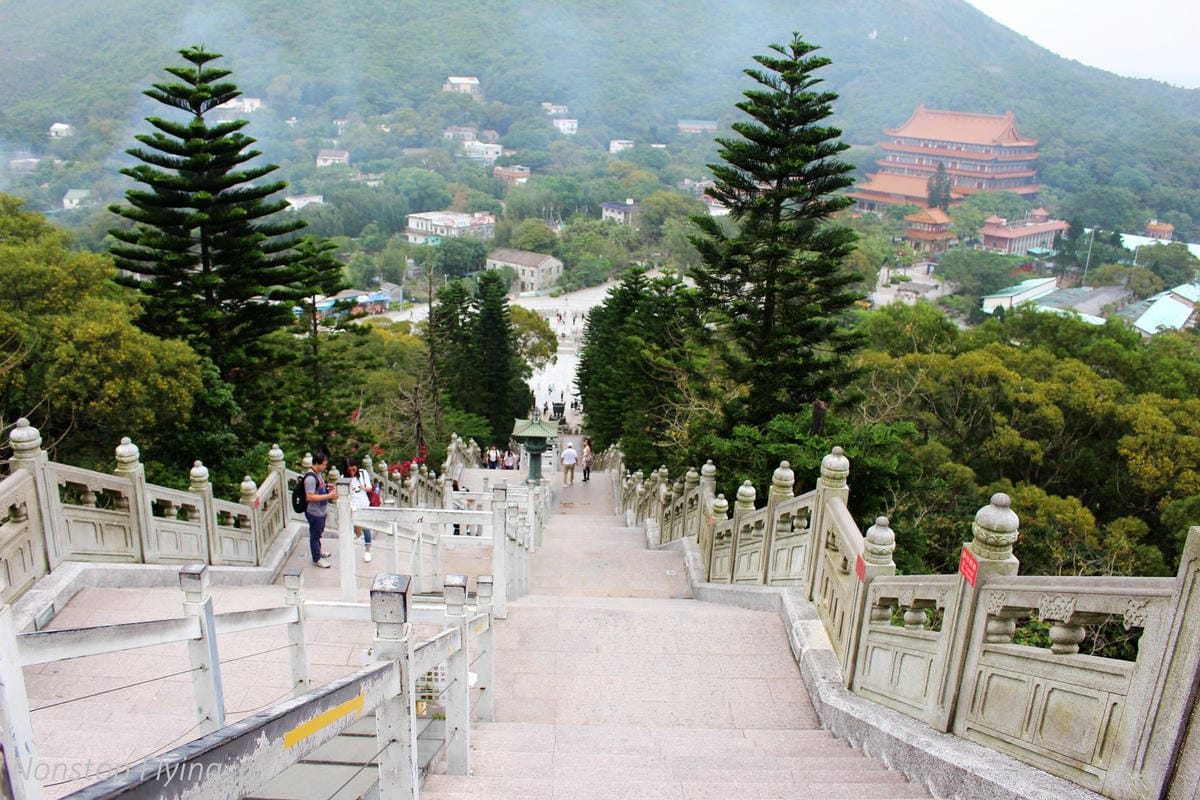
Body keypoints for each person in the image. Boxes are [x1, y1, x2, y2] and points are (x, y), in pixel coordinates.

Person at [304, 452, 337, 568]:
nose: (324, 467)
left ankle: (318, 552)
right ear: (317, 463)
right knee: (314, 535)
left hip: (321, 510)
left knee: (318, 534)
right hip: (314, 512)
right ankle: (316, 558)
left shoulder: (318, 474)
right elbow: (310, 496)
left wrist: (329, 487)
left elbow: (320, 488)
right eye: (323, 465)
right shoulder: (310, 478)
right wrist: (328, 496)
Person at [346, 456, 373, 562]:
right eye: (350, 470)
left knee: (366, 528)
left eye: (353, 469)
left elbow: (370, 488)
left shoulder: (363, 473)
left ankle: (367, 550)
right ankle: (355, 541)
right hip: (352, 505)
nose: (352, 472)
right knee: (353, 527)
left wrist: (362, 487)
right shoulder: (344, 477)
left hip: (364, 503)